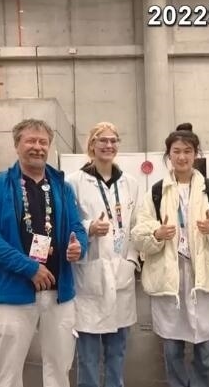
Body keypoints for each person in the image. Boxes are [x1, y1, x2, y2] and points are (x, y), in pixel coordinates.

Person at [0, 118, 90, 387]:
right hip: (14, 293)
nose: (37, 147)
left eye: (43, 142)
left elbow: (77, 227)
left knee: (60, 367)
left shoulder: (62, 187)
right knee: (8, 370)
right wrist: (29, 267)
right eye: (30, 141)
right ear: (17, 145)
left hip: (59, 293)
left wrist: (79, 246)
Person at [130, 123, 209, 387]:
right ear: (168, 155)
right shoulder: (156, 192)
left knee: (205, 350)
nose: (182, 157)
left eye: (188, 151)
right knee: (172, 350)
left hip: (203, 278)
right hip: (169, 279)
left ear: (196, 154)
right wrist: (157, 233)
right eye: (176, 151)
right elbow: (139, 233)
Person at [65, 122, 142, 387]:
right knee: (88, 355)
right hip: (90, 274)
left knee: (117, 351)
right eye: (102, 140)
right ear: (92, 145)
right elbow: (67, 223)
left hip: (121, 273)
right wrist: (89, 228)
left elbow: (136, 226)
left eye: (113, 140)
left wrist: (131, 261)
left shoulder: (130, 183)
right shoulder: (74, 182)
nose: (108, 145)